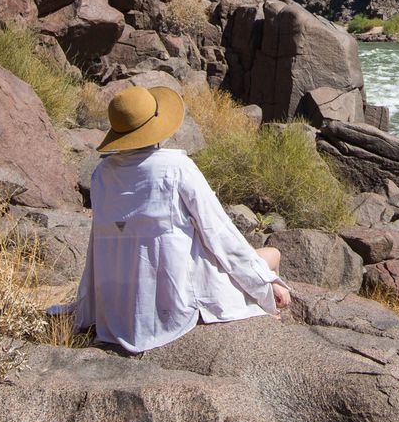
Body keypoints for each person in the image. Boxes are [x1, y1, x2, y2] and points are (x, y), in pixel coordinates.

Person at [66, 84, 289, 353]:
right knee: (272, 255)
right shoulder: (175, 168)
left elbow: (100, 242)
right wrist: (261, 285)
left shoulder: (102, 174)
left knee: (263, 261)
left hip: (118, 309)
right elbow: (219, 234)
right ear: (156, 126)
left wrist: (91, 306)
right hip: (172, 298)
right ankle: (271, 310)